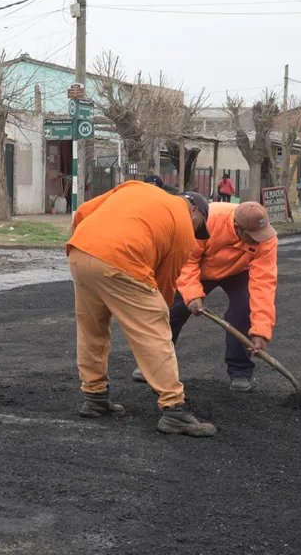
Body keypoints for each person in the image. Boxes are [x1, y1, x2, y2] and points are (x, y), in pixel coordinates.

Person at [68, 181, 216, 438]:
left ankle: (94, 398)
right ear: (194, 211)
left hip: (80, 250)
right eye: (199, 228)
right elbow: (165, 284)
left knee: (91, 329)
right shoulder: (182, 229)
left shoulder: (136, 187)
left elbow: (83, 211)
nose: (196, 235)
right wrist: (158, 313)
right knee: (154, 333)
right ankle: (174, 410)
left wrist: (89, 246)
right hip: (122, 257)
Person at [133, 201, 277, 393]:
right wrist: (193, 295)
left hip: (238, 271)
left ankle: (240, 371)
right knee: (171, 311)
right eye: (253, 237)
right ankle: (152, 364)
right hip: (198, 266)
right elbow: (187, 260)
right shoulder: (208, 220)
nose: (259, 240)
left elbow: (264, 285)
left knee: (244, 310)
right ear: (237, 228)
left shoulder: (266, 238)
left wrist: (261, 331)